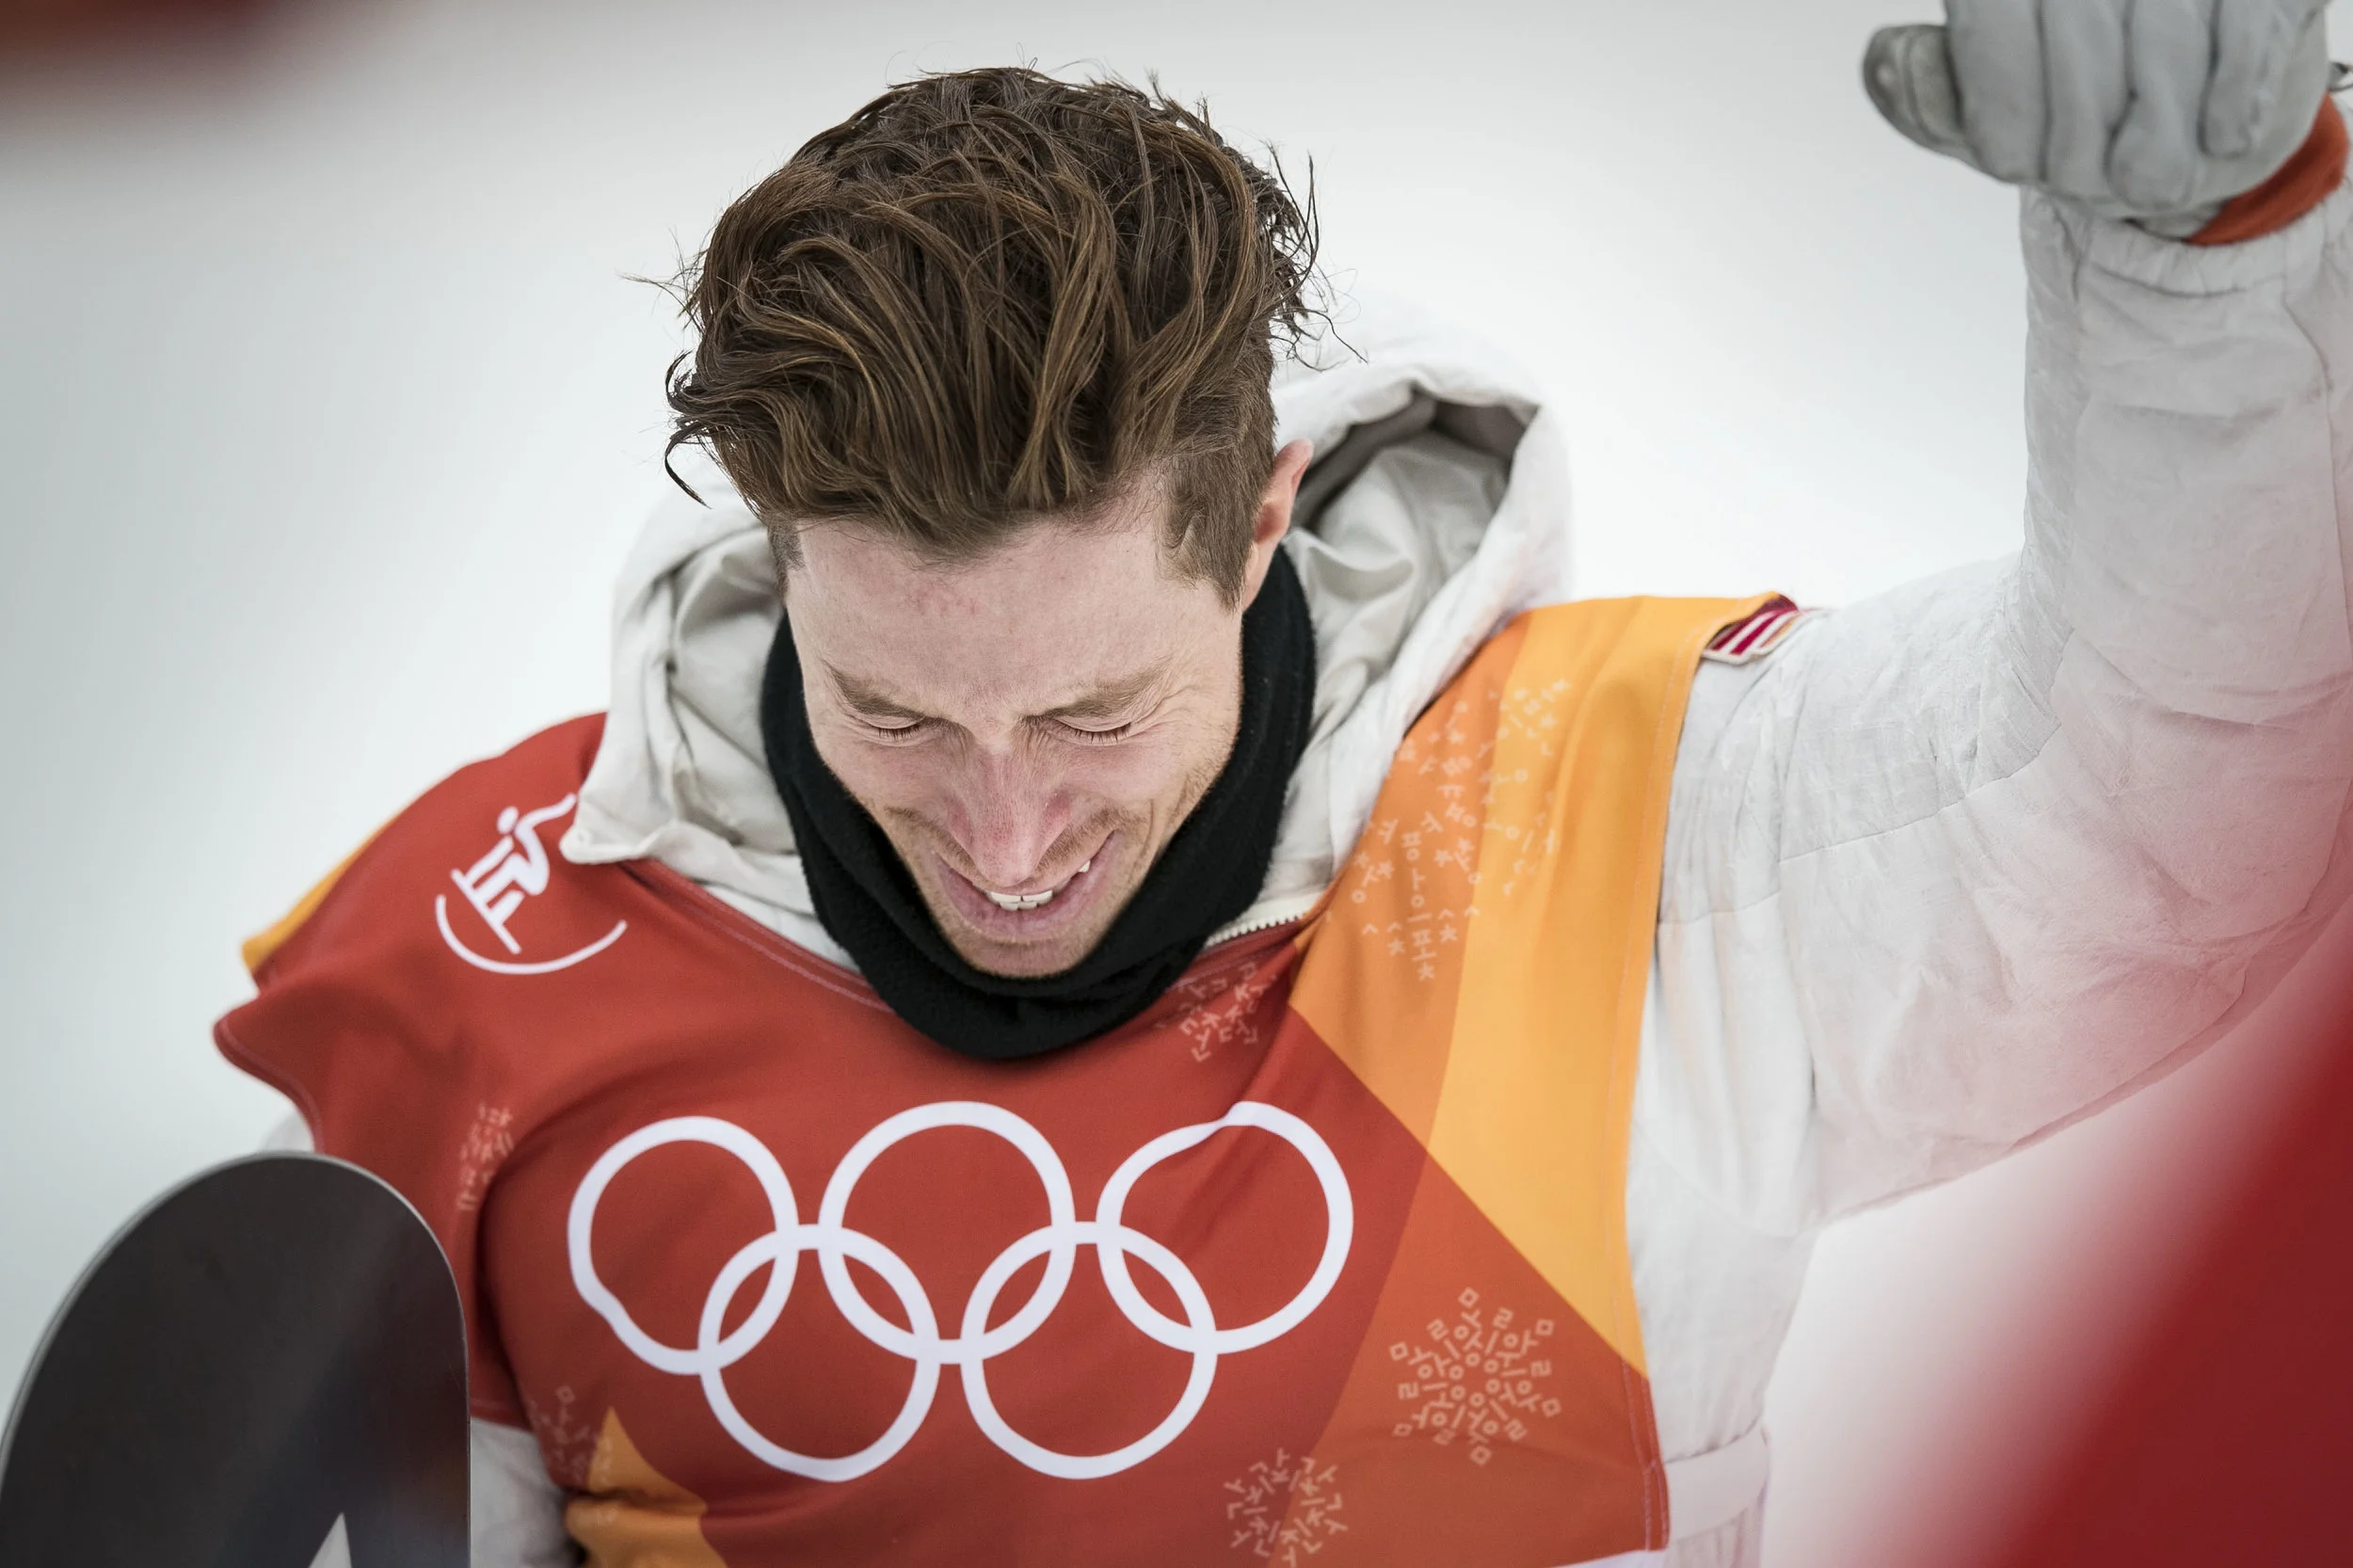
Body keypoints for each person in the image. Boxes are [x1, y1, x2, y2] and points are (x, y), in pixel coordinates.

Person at [216, 4, 2353, 1564]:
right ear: (783, 554)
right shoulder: (481, 952)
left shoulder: (1622, 825)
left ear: (1257, 520)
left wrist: (2211, 264)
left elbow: (2164, 807)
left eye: (1086, 715)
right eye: (895, 715)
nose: (1003, 833)